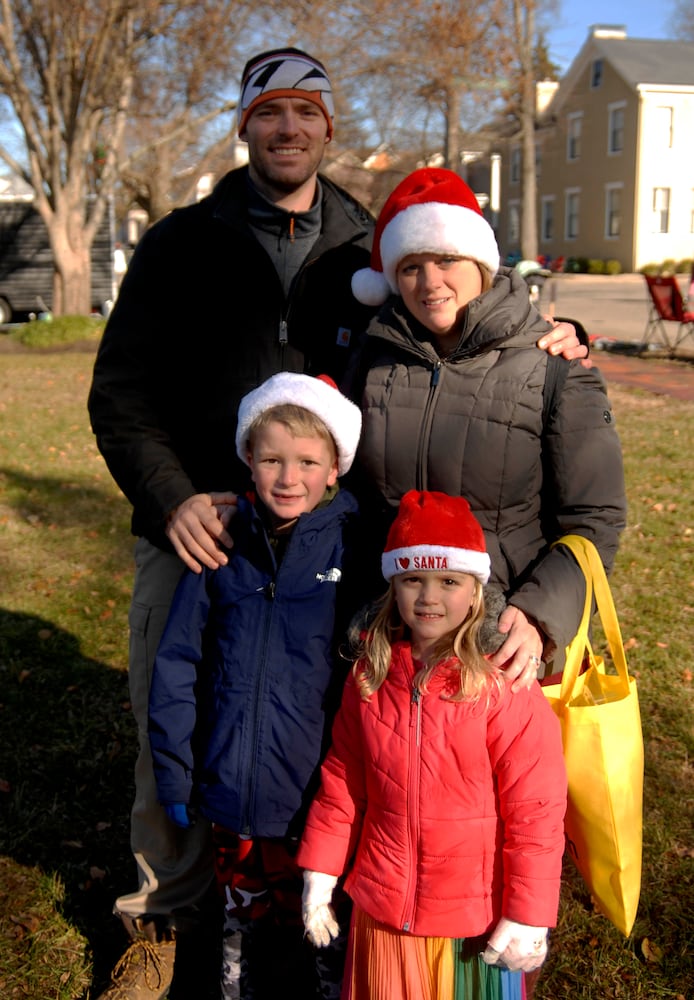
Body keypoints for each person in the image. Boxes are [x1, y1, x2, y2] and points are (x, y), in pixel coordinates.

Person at [87, 46, 586, 998]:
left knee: (334, 723)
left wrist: (556, 335)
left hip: (330, 543)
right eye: (268, 112)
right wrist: (173, 497)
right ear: (243, 125)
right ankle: (161, 915)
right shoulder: (182, 243)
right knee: (178, 710)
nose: (287, 128)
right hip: (201, 534)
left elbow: (453, 314)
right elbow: (120, 395)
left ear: (328, 128)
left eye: (305, 113)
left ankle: (323, 895)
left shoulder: (363, 245)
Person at [346, 167, 626, 695]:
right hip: (391, 643)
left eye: (447, 259)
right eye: (410, 267)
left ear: (479, 260)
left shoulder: (554, 364)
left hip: (501, 646)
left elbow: (594, 518)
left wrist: (541, 615)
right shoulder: (373, 359)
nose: (430, 284)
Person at [297, 489, 569, 1000]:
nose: (429, 597)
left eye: (449, 581)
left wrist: (528, 913)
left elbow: (535, 809)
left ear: (476, 592)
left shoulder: (504, 687)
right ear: (393, 587)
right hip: (382, 913)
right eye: (413, 580)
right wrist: (320, 873)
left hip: (472, 922)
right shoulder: (369, 679)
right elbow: (341, 786)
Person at [147, 372, 362, 999]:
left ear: (334, 470)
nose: (288, 477)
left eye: (306, 462)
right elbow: (178, 661)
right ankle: (236, 985)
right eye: (271, 459)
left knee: (320, 913)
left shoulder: (352, 548)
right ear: (248, 457)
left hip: (313, 795)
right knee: (240, 909)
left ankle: (325, 985)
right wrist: (173, 769)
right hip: (229, 782)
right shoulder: (223, 544)